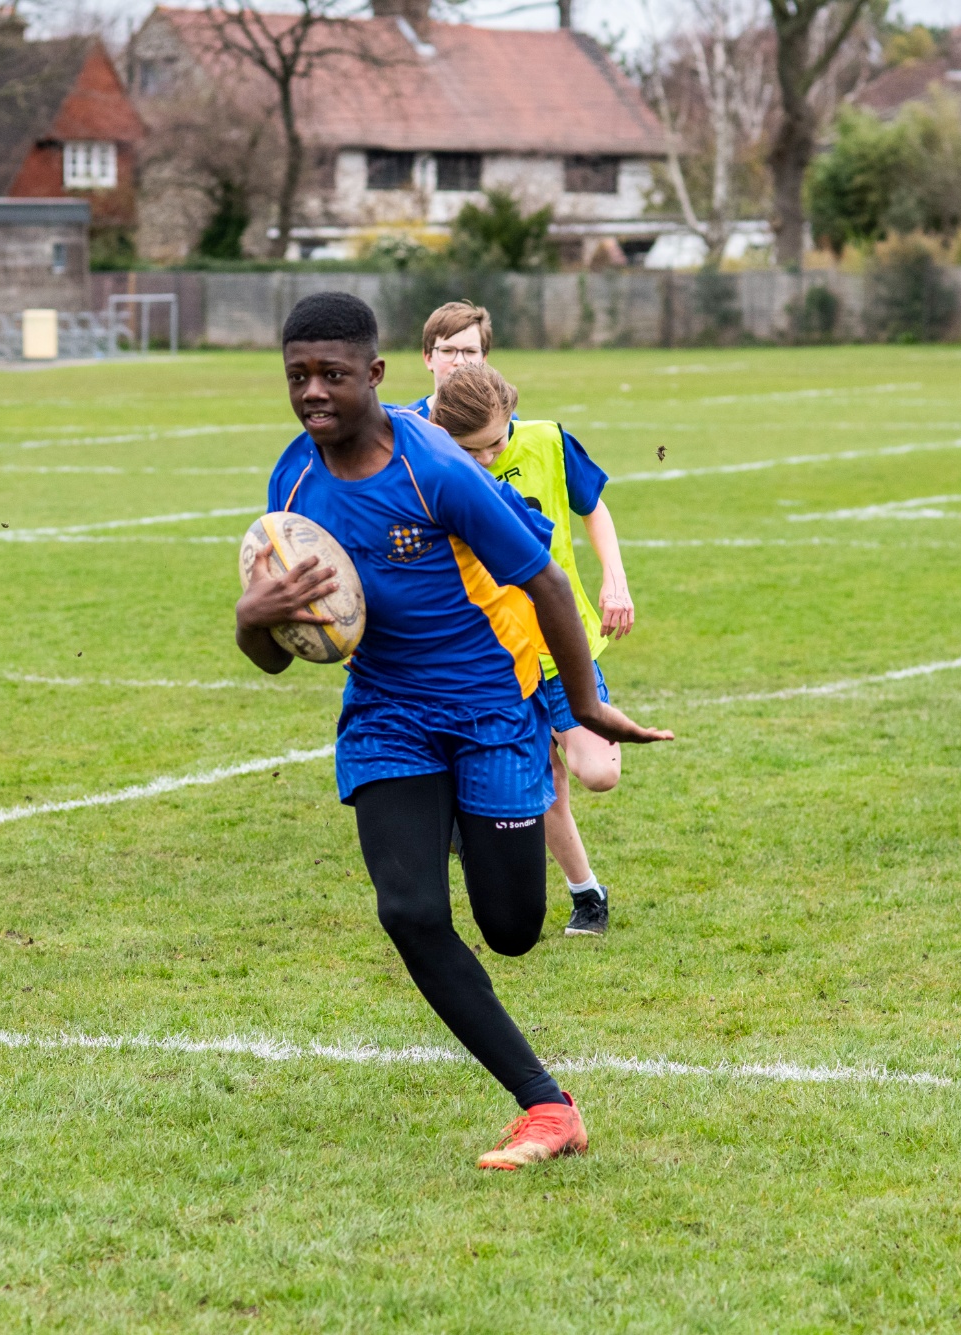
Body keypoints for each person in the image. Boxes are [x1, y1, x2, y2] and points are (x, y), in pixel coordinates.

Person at [234, 292, 672, 1171]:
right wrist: (253, 617)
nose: (314, 392)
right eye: (298, 376)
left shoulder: (436, 467)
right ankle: (547, 1105)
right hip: (389, 714)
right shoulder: (291, 479)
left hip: (492, 713)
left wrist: (582, 707)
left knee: (511, 927)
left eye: (333, 374)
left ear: (376, 375)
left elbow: (547, 580)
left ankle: (484, 827)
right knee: (409, 910)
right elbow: (281, 653)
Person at [431, 363, 628, 938]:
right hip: (500, 659)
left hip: (563, 647)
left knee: (597, 773)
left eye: (496, 443)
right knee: (546, 787)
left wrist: (614, 579)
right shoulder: (440, 464)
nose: (487, 458)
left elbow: (594, 506)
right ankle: (587, 894)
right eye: (475, 451)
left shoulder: (547, 438)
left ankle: (540, 760)